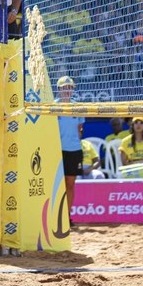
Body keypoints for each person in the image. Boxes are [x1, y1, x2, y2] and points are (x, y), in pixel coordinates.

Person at [56, 76, 84, 215]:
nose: (67, 90)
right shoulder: (53, 106)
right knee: (56, 185)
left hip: (74, 150)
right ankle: (55, 217)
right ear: (59, 89)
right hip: (57, 151)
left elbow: (79, 129)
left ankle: (67, 217)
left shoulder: (76, 107)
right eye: (64, 88)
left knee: (70, 184)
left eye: (70, 87)